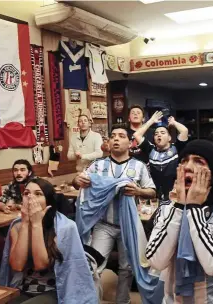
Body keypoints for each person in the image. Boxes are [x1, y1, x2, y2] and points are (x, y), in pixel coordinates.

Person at [146, 139, 213, 303]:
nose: (188, 167)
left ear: (212, 173)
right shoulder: (167, 208)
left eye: (198, 161)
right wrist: (179, 206)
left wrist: (193, 207)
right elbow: (156, 260)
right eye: (184, 161)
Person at [73, 124, 156, 304]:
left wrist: (139, 191)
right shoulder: (98, 165)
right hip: (104, 225)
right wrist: (76, 180)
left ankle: (122, 301)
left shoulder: (139, 166)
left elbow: (152, 191)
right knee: (93, 265)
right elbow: (78, 181)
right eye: (113, 136)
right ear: (109, 142)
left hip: (129, 225)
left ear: (130, 143)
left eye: (121, 136)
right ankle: (92, 300)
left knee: (126, 269)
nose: (116, 139)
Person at [1, 178, 97, 304]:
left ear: (48, 201)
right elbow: (17, 266)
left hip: (56, 288)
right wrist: (25, 223)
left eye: (38, 194)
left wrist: (36, 224)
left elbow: (41, 264)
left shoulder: (65, 227)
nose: (30, 198)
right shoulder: (17, 226)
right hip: (25, 286)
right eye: (26, 193)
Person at [133, 110, 188, 201]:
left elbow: (184, 131)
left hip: (175, 196)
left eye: (163, 133)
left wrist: (174, 123)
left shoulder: (176, 148)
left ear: (169, 137)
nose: (159, 135)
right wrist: (150, 121)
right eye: (156, 134)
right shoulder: (150, 149)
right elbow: (137, 134)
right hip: (155, 197)